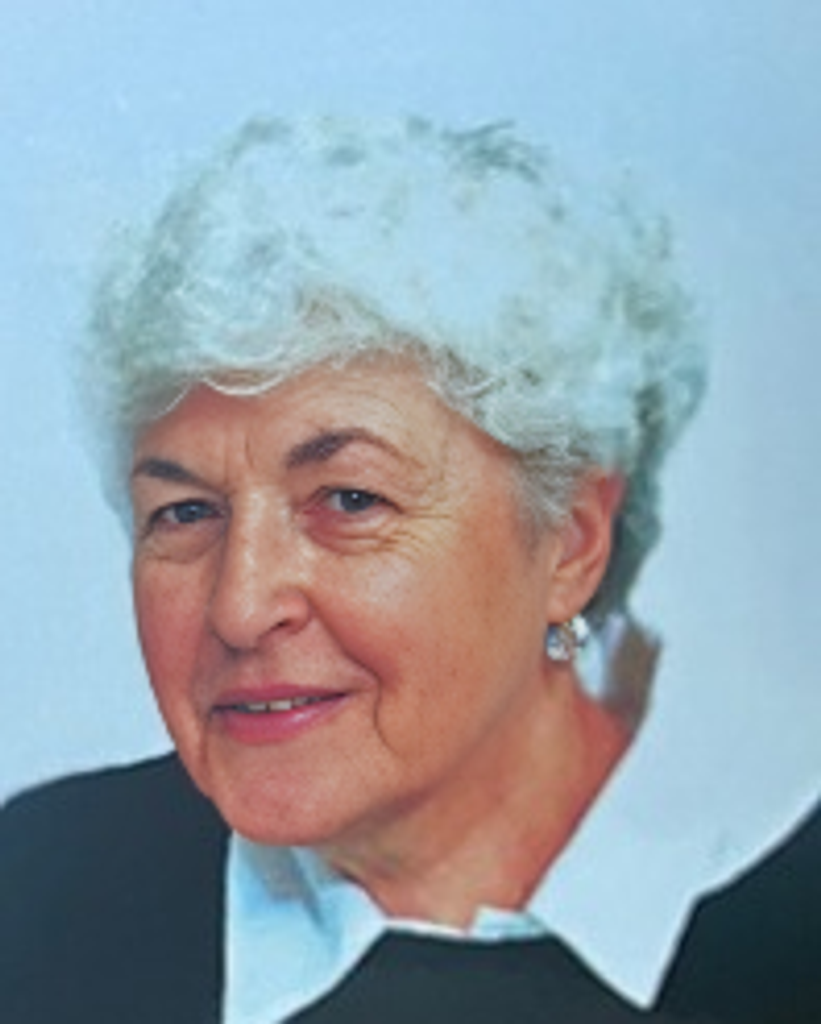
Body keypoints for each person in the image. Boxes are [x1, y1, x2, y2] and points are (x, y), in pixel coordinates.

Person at [0, 117, 816, 1024]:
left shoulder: (782, 927)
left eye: (349, 499)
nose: (240, 605)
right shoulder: (40, 891)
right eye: (186, 512)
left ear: (571, 543)